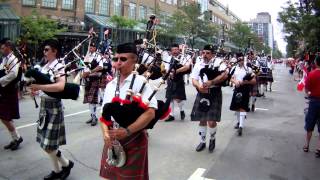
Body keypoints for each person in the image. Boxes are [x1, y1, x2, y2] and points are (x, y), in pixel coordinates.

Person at [100, 43, 157, 179]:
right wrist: (105, 135)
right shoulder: (110, 85)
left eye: (123, 59)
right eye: (116, 59)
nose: (118, 62)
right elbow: (103, 114)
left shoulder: (141, 82)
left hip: (133, 137)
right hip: (113, 137)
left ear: (134, 61)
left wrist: (127, 131)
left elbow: (150, 113)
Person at [30, 40, 74, 180]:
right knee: (45, 143)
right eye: (44, 49)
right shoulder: (44, 67)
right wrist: (36, 91)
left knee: (49, 144)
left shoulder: (60, 66)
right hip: (44, 106)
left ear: (55, 51)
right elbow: (43, 86)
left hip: (54, 107)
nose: (44, 52)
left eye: (47, 49)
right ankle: (63, 166)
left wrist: (40, 87)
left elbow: (61, 87)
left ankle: (61, 168)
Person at [190, 44, 228, 153]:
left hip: (214, 92)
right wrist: (198, 86)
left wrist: (212, 82)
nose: (205, 55)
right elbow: (194, 79)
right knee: (202, 119)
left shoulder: (218, 62)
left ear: (213, 54)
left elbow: (224, 75)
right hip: (202, 92)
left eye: (208, 53)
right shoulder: (199, 64)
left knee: (211, 121)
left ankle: (212, 139)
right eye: (203, 53)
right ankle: (202, 141)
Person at [0, 38, 23, 151]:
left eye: (3, 48)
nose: (1, 50)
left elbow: (13, 74)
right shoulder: (5, 59)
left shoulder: (14, 59)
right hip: (4, 90)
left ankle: (17, 138)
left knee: (4, 117)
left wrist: (0, 81)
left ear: (8, 47)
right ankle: (16, 138)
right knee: (5, 117)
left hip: (9, 91)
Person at [230, 53, 256, 136]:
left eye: (242, 59)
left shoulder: (248, 69)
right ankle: (239, 122)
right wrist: (235, 82)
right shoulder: (234, 68)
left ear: (244, 60)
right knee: (237, 108)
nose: (240, 61)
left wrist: (245, 82)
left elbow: (254, 81)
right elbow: (230, 78)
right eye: (239, 59)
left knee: (243, 107)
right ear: (237, 60)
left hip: (245, 89)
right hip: (237, 89)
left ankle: (241, 126)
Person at [165, 44, 191, 122]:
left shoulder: (183, 58)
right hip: (170, 80)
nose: (175, 51)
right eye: (173, 50)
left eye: (176, 49)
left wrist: (176, 71)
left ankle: (182, 110)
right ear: (171, 51)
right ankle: (171, 115)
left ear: (179, 50)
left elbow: (187, 67)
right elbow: (166, 68)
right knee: (170, 98)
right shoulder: (168, 58)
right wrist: (169, 74)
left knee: (178, 99)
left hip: (178, 80)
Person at [82, 42, 103, 126]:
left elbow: (100, 67)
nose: (90, 48)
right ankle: (92, 116)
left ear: (95, 48)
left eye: (92, 47)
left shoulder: (97, 56)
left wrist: (90, 71)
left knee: (92, 100)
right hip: (87, 80)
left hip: (94, 79)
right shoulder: (87, 56)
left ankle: (94, 117)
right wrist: (83, 74)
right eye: (89, 47)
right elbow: (84, 67)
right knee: (89, 100)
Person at [303, 55, 320, 158]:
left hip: (314, 102)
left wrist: (309, 94)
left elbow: (306, 89)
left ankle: (307, 145)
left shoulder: (312, 74)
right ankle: (319, 148)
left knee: (310, 125)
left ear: (316, 63)